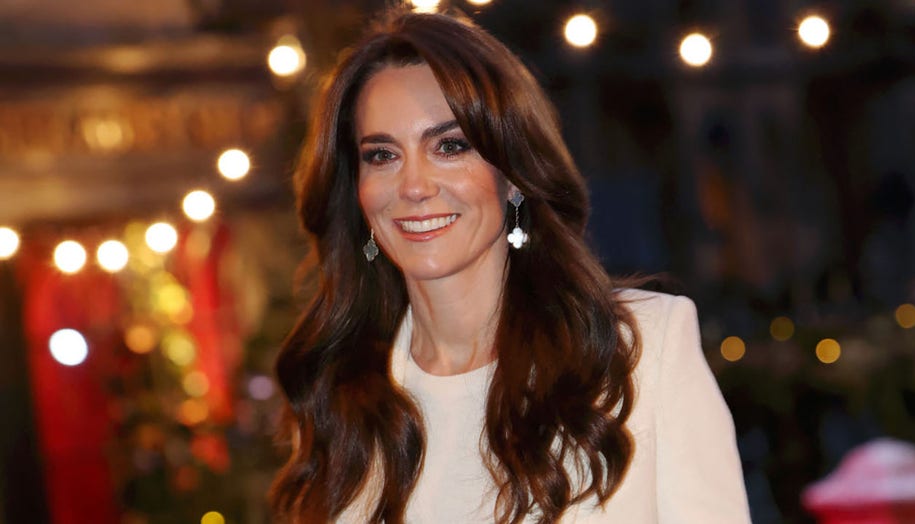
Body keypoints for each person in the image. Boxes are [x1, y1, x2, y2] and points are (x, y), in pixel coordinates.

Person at [270, 9, 750, 524]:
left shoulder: (640, 351)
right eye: (382, 155)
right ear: (357, 191)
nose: (413, 186)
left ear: (513, 174)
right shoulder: (340, 401)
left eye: (449, 146)